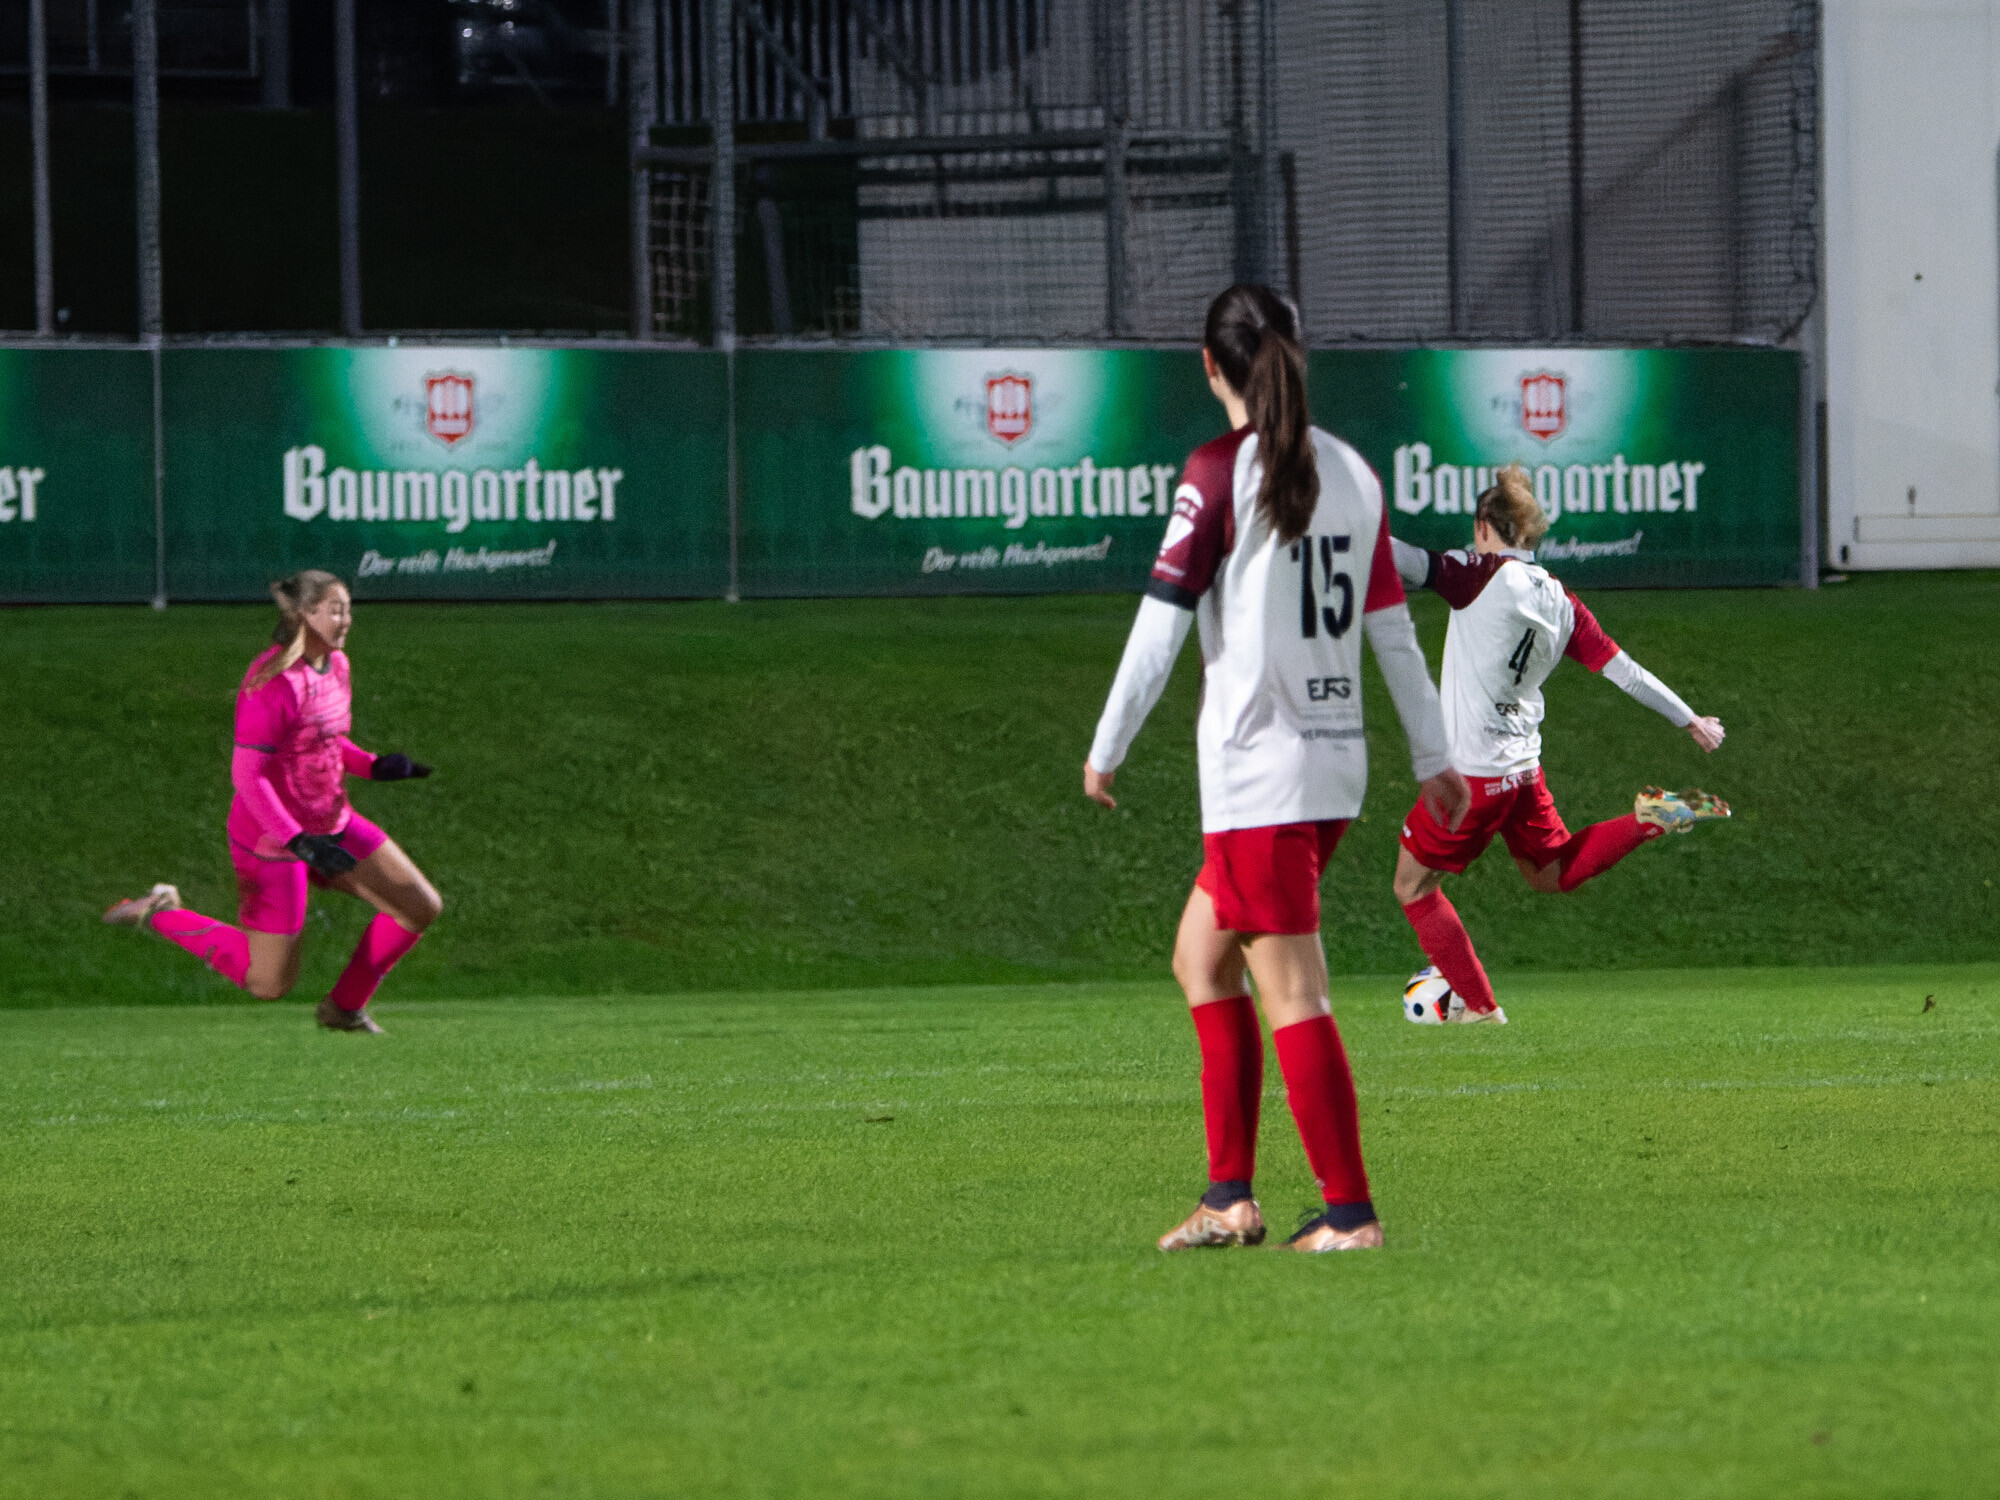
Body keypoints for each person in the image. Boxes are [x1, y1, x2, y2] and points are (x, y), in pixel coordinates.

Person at [1084, 284, 1470, 1254]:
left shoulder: (1217, 471)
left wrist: (1106, 746)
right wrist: (1431, 755)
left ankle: (1349, 1214)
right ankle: (1228, 1199)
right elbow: (1392, 630)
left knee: (1291, 989)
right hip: (1331, 768)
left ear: (1208, 365)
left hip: (1260, 777)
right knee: (1200, 958)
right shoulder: (1352, 471)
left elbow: (1158, 627)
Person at [1390, 465, 1729, 1025]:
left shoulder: (1475, 575)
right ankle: (1651, 818)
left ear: (1483, 528)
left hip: (1472, 774)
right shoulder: (1562, 602)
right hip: (1522, 769)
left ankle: (1480, 1006)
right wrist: (1690, 719)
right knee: (1552, 872)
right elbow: (1627, 673)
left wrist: (1338, 532)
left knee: (1412, 886)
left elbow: (1402, 559)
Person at [103, 570, 441, 1034]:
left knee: (420, 906)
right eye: (335, 610)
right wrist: (299, 842)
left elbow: (322, 742)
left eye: (348, 610)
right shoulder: (273, 681)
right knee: (268, 983)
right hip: (271, 839)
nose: (346, 620)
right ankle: (160, 912)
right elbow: (248, 775)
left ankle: (343, 1009)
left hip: (331, 824)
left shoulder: (337, 666)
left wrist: (374, 765)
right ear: (304, 614)